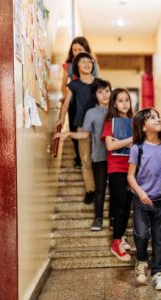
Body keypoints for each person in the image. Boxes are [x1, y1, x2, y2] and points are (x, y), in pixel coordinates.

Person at [54, 79, 111, 231]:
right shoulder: (91, 113)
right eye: (100, 92)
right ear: (94, 95)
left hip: (118, 158)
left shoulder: (117, 109)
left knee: (118, 191)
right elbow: (85, 134)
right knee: (99, 190)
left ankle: (113, 220)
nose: (104, 95)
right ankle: (98, 219)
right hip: (100, 157)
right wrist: (68, 134)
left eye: (107, 91)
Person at [127, 108, 161, 290]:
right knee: (141, 234)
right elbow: (130, 176)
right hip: (141, 200)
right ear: (143, 127)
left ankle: (158, 273)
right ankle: (142, 261)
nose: (158, 119)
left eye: (158, 116)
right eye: (152, 118)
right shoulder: (138, 148)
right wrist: (140, 193)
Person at [56, 52, 98, 204]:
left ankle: (102, 186)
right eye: (83, 62)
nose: (87, 64)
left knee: (100, 160)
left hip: (99, 127)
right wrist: (60, 119)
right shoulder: (73, 85)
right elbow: (66, 103)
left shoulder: (100, 83)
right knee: (85, 160)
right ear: (77, 66)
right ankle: (90, 190)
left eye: (89, 61)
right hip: (82, 127)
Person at [101, 88, 134, 261]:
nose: (124, 103)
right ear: (114, 103)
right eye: (120, 100)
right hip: (116, 169)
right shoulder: (109, 122)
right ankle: (116, 242)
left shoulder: (134, 122)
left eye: (127, 100)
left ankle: (120, 236)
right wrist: (130, 140)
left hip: (132, 168)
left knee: (127, 205)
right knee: (120, 203)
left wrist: (124, 142)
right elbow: (110, 146)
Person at [61, 36, 98, 168]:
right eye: (74, 50)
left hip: (89, 103)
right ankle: (78, 156)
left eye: (80, 49)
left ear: (86, 49)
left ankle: (92, 157)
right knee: (74, 128)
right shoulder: (68, 66)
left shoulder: (93, 65)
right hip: (73, 103)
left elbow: (96, 84)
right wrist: (67, 98)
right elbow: (63, 86)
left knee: (90, 131)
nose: (76, 52)